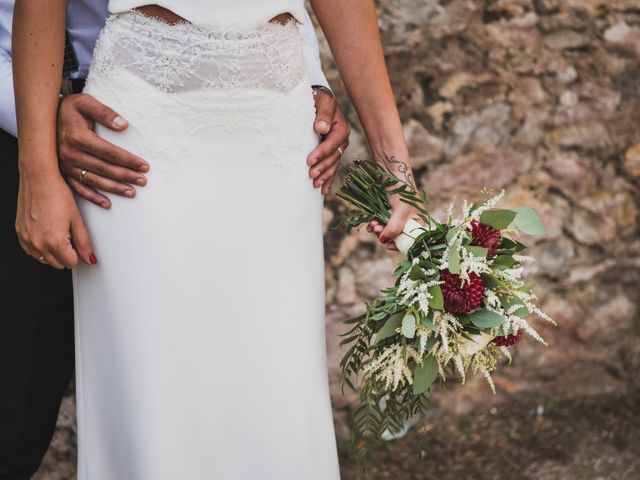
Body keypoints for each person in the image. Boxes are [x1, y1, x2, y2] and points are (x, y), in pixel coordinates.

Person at [12, 1, 418, 479]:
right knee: (158, 387)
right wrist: (36, 170)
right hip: (143, 130)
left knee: (275, 387)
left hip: (276, 132)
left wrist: (399, 172)